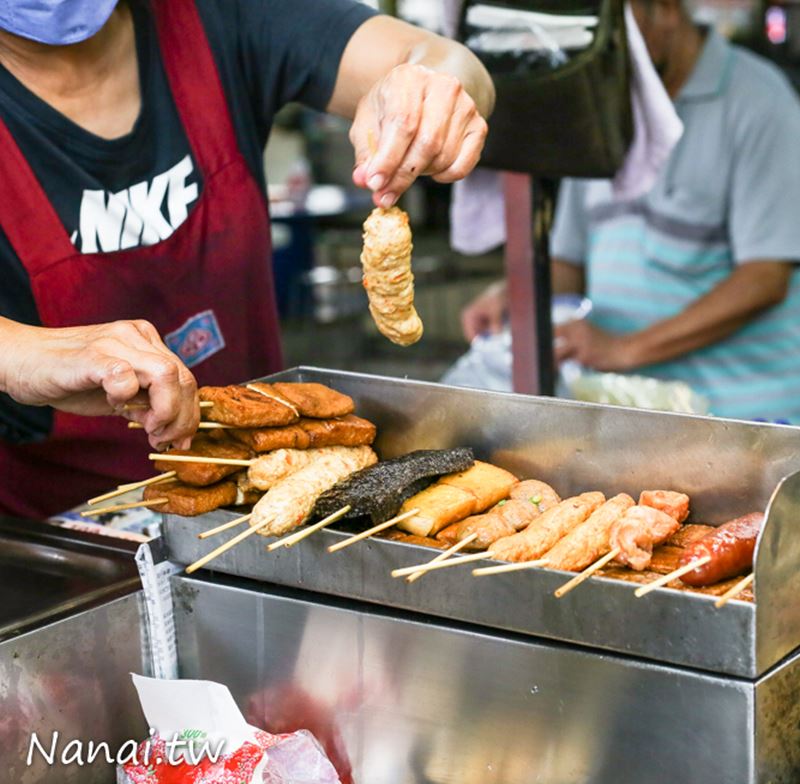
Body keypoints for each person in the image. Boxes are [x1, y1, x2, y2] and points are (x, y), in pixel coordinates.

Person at [0, 0, 493, 517]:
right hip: (52, 546)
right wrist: (20, 351)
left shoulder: (216, 13)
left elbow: (449, 61)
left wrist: (430, 91)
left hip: (260, 502)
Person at [461, 0, 800, 424]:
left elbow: (765, 278)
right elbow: (569, 262)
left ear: (665, 10)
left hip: (745, 416)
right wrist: (513, 295)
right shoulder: (601, 113)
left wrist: (623, 348)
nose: (599, 57)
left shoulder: (760, 102)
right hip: (635, 410)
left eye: (613, 35)